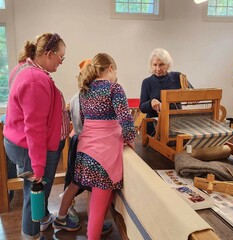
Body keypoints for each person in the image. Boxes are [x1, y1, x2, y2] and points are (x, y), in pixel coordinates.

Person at [53, 53, 136, 239]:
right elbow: (126, 121)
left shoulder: (84, 90)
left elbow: (82, 122)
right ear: (111, 68)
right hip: (104, 155)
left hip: (85, 152)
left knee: (97, 203)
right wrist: (131, 141)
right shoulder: (114, 89)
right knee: (99, 210)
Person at [3, 32, 70, 240]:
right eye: (61, 56)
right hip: (29, 147)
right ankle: (31, 234)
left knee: (35, 195)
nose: (61, 61)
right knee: (35, 195)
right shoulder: (34, 80)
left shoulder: (25, 67)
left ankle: (42, 218)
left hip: (20, 143)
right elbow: (34, 128)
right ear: (49, 53)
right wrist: (38, 166)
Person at [61, 59, 114, 235]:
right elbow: (84, 125)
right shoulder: (84, 97)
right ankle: (92, 222)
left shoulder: (79, 96)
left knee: (75, 182)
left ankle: (63, 216)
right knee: (88, 185)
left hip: (80, 141)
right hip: (87, 143)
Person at [140, 48, 193, 135]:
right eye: (155, 65)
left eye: (161, 65)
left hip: (176, 126)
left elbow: (192, 94)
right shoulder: (147, 82)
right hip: (154, 128)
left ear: (168, 65)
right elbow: (142, 108)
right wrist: (151, 103)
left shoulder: (178, 77)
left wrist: (190, 97)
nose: (158, 68)